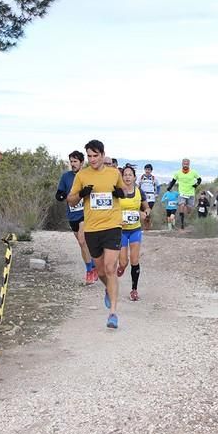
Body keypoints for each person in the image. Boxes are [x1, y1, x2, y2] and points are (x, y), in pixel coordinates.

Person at [67, 139, 126, 329]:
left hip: (112, 225)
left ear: (102, 154)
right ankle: (109, 289)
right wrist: (82, 193)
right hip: (92, 228)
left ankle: (113, 314)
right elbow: (70, 200)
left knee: (110, 268)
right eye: (89, 156)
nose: (92, 160)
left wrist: (119, 193)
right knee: (100, 271)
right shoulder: (82, 175)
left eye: (95, 156)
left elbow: (124, 190)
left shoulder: (113, 173)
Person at [56, 150, 98, 285]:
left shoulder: (87, 175)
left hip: (86, 213)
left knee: (82, 240)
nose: (73, 164)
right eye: (71, 162)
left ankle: (89, 271)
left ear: (81, 162)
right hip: (72, 214)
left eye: (75, 161)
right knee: (82, 244)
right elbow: (60, 192)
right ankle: (92, 265)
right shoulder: (66, 176)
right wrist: (60, 195)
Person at [117, 165, 151, 301]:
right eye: (125, 174)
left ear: (135, 177)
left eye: (130, 175)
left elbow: (146, 207)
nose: (127, 177)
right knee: (124, 262)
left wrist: (146, 213)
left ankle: (134, 290)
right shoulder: (117, 192)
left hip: (135, 229)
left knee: (135, 260)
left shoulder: (139, 192)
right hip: (121, 230)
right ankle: (121, 267)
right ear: (122, 177)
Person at [166, 158, 201, 229]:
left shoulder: (193, 172)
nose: (185, 165)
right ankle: (182, 224)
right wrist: (169, 188)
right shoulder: (178, 173)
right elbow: (173, 181)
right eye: (184, 164)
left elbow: (199, 179)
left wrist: (196, 185)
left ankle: (187, 213)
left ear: (189, 164)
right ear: (182, 164)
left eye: (187, 164)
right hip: (182, 193)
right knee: (181, 205)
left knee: (189, 210)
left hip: (191, 193)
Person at [138, 163, 159, 230]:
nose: (147, 171)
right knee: (143, 212)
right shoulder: (140, 177)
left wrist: (157, 194)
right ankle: (145, 226)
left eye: (149, 169)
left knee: (147, 211)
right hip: (142, 196)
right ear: (144, 170)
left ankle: (147, 226)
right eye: (146, 169)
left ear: (151, 170)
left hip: (151, 197)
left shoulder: (154, 178)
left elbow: (158, 186)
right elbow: (137, 186)